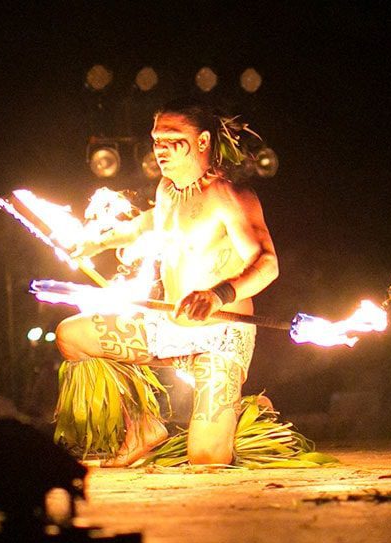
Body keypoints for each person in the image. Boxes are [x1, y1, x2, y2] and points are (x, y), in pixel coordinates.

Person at [56, 97, 278, 466]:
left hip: (219, 336)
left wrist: (218, 295)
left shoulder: (230, 196)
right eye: (156, 139)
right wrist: (98, 241)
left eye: (172, 139)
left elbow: (267, 264)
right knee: (72, 336)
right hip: (168, 328)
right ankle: (143, 428)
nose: (160, 149)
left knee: (207, 458)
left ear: (203, 141)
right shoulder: (168, 189)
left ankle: (249, 412)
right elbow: (151, 223)